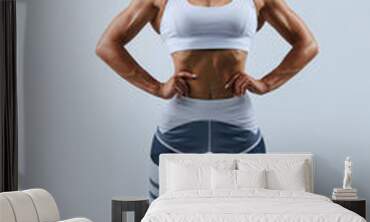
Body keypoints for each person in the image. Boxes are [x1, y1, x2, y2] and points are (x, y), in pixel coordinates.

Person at [96, 0, 319, 201]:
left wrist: (267, 83)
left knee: (252, 206)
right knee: (162, 206)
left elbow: (307, 44)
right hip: (181, 119)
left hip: (237, 118)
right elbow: (108, 45)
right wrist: (156, 88)